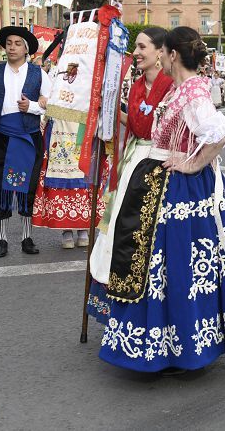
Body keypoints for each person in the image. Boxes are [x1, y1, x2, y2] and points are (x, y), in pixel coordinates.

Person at [95, 27, 225, 372]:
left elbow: (217, 133)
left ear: (170, 55)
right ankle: (171, 342)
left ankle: (179, 343)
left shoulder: (193, 91)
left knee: (176, 267)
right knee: (165, 269)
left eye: (161, 51)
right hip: (167, 186)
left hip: (185, 191)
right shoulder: (183, 90)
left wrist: (194, 162)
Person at [88, 27, 174, 320]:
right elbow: (137, 127)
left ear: (160, 52)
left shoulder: (172, 85)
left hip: (162, 160)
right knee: (122, 226)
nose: (136, 53)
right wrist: (110, 110)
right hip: (135, 158)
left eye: (142, 47)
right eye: (135, 47)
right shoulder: (137, 86)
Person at [0, 26, 50, 257]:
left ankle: (27, 237)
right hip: (2, 137)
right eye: (9, 43)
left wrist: (32, 106)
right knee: (1, 187)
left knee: (27, 189)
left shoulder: (39, 74)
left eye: (17, 43)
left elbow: (52, 103)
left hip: (28, 137)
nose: (12, 47)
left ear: (26, 49)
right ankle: (1, 239)